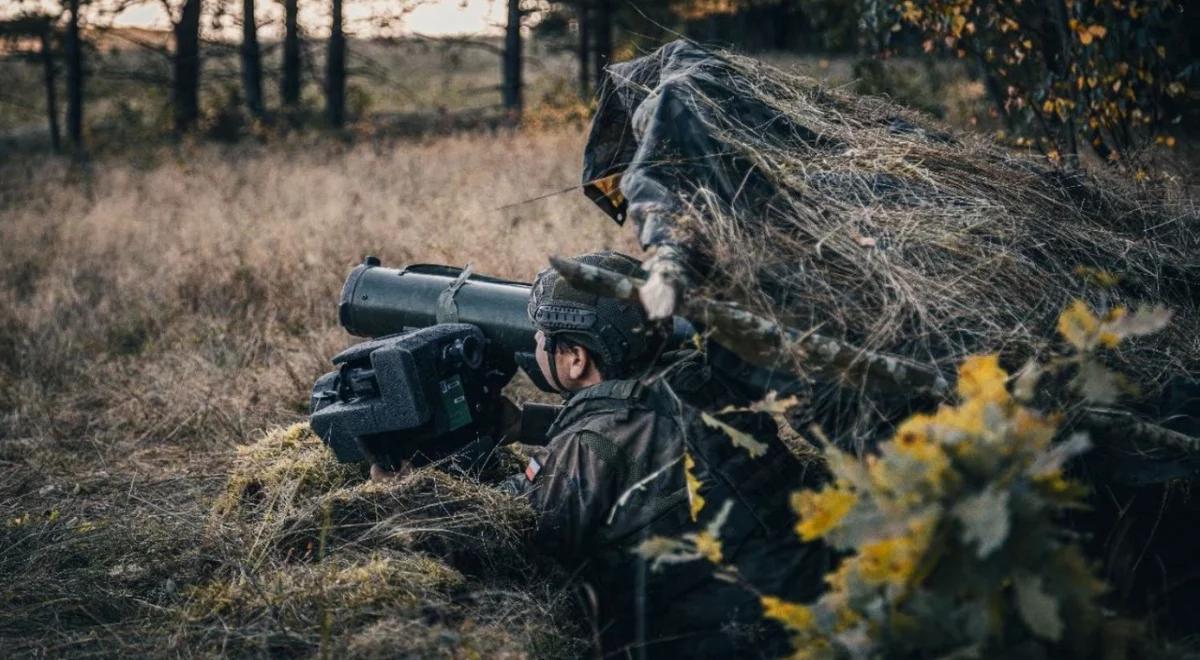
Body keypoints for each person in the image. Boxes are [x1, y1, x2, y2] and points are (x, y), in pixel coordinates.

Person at [377, 251, 828, 657]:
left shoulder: (590, 446)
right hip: (813, 606)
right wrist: (522, 424)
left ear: (575, 359)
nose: (535, 345)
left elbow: (507, 530)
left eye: (542, 336)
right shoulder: (703, 380)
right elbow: (645, 425)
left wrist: (404, 495)